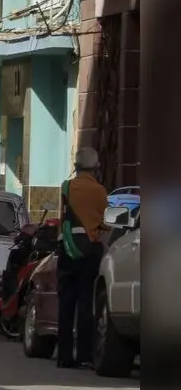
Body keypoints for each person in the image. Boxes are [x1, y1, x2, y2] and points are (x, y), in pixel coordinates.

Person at [57, 146, 109, 369]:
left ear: (76, 166)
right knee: (86, 303)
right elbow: (105, 221)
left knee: (66, 304)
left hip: (67, 249)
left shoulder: (66, 187)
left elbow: (63, 218)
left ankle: (64, 356)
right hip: (90, 251)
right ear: (96, 168)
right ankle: (84, 355)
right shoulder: (99, 191)